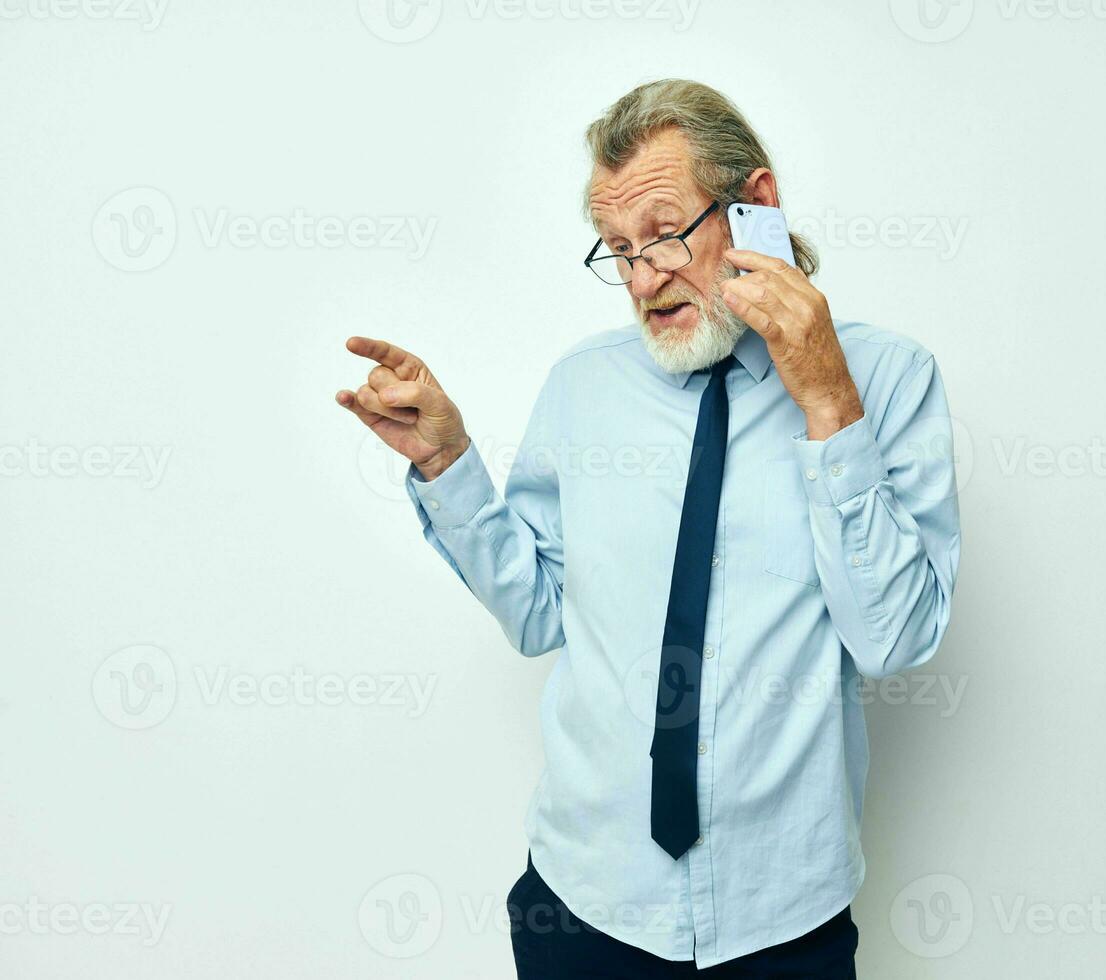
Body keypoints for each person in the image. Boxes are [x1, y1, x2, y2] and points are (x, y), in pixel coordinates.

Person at [335, 78, 961, 978]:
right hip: (583, 908)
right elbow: (540, 614)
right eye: (618, 249)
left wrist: (828, 403)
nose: (640, 277)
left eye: (665, 235)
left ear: (756, 206)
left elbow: (895, 638)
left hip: (782, 922)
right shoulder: (585, 386)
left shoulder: (888, 381)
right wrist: (448, 465)